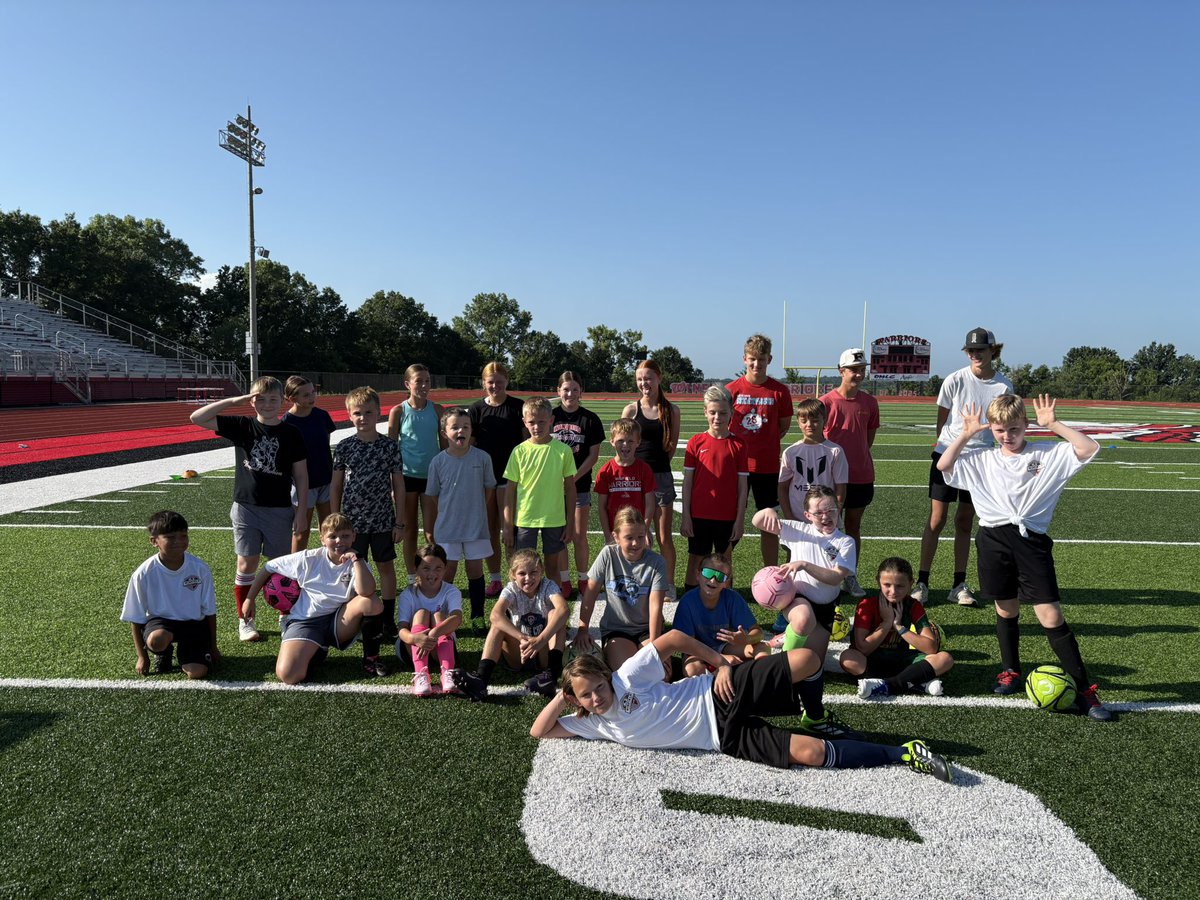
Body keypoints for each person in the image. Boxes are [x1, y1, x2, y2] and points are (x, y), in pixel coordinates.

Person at [529, 632, 953, 783]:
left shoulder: (625, 679)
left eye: (598, 687)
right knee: (812, 754)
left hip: (715, 693)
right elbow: (540, 731)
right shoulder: (594, 723)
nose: (597, 698)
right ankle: (903, 752)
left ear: (607, 678)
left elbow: (672, 639)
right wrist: (565, 694)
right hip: (723, 737)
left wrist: (720, 664)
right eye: (586, 696)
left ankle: (815, 715)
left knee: (806, 660)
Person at [938, 394, 1111, 720]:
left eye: (1014, 429)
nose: (1007, 436)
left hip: (1031, 542)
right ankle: (1011, 670)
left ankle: (1085, 691)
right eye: (1000, 430)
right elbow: (944, 466)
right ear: (992, 429)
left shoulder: (1046, 453)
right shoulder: (982, 458)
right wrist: (965, 434)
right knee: (1006, 609)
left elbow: (1089, 448)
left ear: (1026, 425)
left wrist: (1054, 424)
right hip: (992, 540)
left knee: (1050, 616)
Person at [190, 376, 309, 643]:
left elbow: (301, 475)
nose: (267, 404)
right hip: (246, 507)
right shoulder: (242, 425)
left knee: (280, 566)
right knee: (246, 563)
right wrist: (237, 400)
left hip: (279, 509)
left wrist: (301, 511)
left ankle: (285, 615)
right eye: (260, 399)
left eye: (273, 399)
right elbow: (196, 417)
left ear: (282, 401)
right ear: (252, 401)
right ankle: (245, 619)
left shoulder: (291, 433)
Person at [915, 328, 1013, 607]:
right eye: (971, 350)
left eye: (980, 349)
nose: (975, 354)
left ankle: (958, 584)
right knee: (936, 519)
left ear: (993, 350)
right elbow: (942, 421)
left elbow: (1003, 424)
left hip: (980, 460)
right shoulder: (955, 379)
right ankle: (922, 582)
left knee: (965, 521)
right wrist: (946, 449)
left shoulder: (1004, 386)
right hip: (948, 454)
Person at [752, 486, 858, 739]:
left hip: (825, 609)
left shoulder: (845, 542)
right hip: (797, 599)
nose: (826, 516)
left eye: (830, 510)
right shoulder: (798, 530)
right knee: (803, 619)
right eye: (819, 512)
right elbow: (758, 521)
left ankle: (812, 716)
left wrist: (804, 565)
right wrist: (767, 511)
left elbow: (836, 578)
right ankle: (777, 673)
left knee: (812, 666)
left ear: (838, 509)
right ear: (807, 515)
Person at [244, 513, 383, 685]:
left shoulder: (357, 562)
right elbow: (268, 567)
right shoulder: (308, 559)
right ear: (322, 539)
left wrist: (357, 558)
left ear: (354, 536)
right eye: (333, 536)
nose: (339, 541)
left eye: (345, 536)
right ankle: (317, 649)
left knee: (371, 602)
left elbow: (367, 591)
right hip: (306, 622)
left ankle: (371, 658)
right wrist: (249, 599)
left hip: (339, 621)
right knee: (288, 675)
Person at [330, 386, 405, 676]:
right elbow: (336, 485)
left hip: (383, 520)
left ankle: (387, 619)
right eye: (358, 413)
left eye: (369, 412)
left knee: (386, 567)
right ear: (349, 415)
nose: (363, 418)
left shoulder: (389, 446)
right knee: (352, 572)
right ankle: (355, 616)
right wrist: (336, 519)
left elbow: (398, 485)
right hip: (352, 525)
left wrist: (399, 521)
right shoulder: (344, 446)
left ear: (379, 413)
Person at [771, 398, 848, 635]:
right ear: (798, 421)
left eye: (815, 419)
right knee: (792, 563)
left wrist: (831, 516)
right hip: (799, 520)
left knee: (828, 561)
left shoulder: (835, 451)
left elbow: (840, 489)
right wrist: (789, 517)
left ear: (824, 420)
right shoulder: (791, 451)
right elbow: (783, 487)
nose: (809, 424)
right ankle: (788, 609)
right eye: (804, 419)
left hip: (825, 522)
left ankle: (829, 608)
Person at [458, 549, 570, 701]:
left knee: (555, 615)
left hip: (543, 652)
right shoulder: (511, 588)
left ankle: (550, 676)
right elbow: (495, 615)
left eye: (534, 572)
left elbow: (563, 609)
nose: (528, 578)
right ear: (512, 575)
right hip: (518, 651)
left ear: (542, 571)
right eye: (522, 573)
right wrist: (522, 638)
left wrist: (540, 640)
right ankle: (481, 680)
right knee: (498, 624)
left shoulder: (548, 585)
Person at [121, 510, 218, 678]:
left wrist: (213, 647)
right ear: (154, 541)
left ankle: (189, 653)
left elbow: (210, 611)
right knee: (157, 640)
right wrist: (142, 657)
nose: (178, 541)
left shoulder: (200, 569)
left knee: (197, 673)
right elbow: (135, 617)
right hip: (161, 624)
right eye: (170, 537)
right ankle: (163, 652)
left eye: (183, 536)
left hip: (193, 624)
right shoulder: (143, 573)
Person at [840, 557, 955, 698]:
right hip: (872, 660)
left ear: (911, 584)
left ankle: (888, 685)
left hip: (902, 660)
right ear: (878, 581)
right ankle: (915, 681)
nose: (893, 591)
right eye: (887, 585)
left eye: (900, 586)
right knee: (848, 658)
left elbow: (931, 648)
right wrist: (886, 623)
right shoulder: (867, 604)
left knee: (945, 659)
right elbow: (863, 648)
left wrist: (899, 627)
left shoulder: (913, 605)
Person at [425, 407, 497, 632]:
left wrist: (474, 510)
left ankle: (477, 616)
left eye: (465, 427)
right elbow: (434, 495)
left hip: (476, 527)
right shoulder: (438, 462)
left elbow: (489, 489)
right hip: (448, 528)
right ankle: (444, 617)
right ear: (444, 433)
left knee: (475, 571)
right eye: (455, 427)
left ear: (471, 430)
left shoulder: (482, 457)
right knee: (447, 573)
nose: (460, 431)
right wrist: (450, 511)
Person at [573, 507, 668, 671]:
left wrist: (654, 645)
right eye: (629, 537)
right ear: (616, 537)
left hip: (648, 629)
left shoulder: (657, 562)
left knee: (659, 673)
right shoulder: (608, 554)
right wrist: (583, 628)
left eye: (640, 537)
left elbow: (655, 606)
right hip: (617, 630)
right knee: (626, 672)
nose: (636, 543)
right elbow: (590, 593)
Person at [727, 334, 794, 568]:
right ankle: (725, 574)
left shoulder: (779, 391)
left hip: (767, 467)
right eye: (752, 359)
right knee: (730, 520)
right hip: (737, 467)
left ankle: (770, 572)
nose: (757, 364)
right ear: (744, 359)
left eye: (762, 359)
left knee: (769, 523)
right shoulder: (732, 390)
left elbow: (783, 426)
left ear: (769, 359)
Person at [819, 348, 879, 599]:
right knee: (827, 526)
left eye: (861, 369)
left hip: (860, 474)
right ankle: (827, 574)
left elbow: (868, 439)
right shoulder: (826, 402)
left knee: (853, 526)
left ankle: (849, 574)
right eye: (853, 369)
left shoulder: (870, 402)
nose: (858, 374)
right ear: (841, 371)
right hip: (830, 477)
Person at [680, 384, 748, 593]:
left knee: (724, 560)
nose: (717, 417)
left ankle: (725, 599)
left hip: (727, 517)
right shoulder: (696, 442)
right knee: (696, 559)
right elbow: (687, 482)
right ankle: (690, 599)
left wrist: (739, 520)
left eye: (722, 413)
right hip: (699, 514)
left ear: (731, 413)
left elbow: (742, 487)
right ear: (705, 412)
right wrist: (686, 516)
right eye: (712, 412)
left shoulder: (739, 445)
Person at [622, 359, 680, 597]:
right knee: (635, 534)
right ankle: (634, 581)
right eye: (639, 379)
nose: (644, 383)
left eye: (648, 378)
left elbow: (671, 447)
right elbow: (623, 444)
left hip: (661, 478)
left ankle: (668, 584)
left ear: (659, 378)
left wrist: (655, 469)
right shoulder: (631, 410)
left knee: (664, 536)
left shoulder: (672, 411)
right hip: (636, 479)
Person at [469, 361, 527, 598]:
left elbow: (526, 442)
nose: (495, 386)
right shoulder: (476, 409)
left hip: (510, 478)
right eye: (490, 382)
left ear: (507, 382)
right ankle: (495, 579)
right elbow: (471, 444)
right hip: (483, 479)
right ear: (483, 383)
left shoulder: (517, 407)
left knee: (509, 530)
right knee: (490, 530)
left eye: (499, 382)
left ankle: (515, 579)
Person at [387, 364, 445, 589]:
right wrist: (392, 483)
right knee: (409, 530)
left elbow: (445, 448)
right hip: (406, 478)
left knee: (432, 532)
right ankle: (412, 578)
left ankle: (435, 575)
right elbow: (391, 448)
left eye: (427, 381)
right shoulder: (398, 411)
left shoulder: (437, 410)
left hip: (431, 478)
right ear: (407, 384)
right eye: (418, 381)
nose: (423, 385)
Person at [503, 397, 577, 570]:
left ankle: (552, 589)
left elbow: (570, 489)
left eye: (542, 421)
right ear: (524, 422)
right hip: (525, 518)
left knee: (552, 568)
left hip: (554, 519)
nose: (536, 426)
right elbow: (510, 491)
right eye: (532, 422)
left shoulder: (563, 451)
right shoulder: (519, 451)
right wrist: (507, 525)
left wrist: (570, 522)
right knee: (524, 567)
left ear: (551, 420)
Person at [550, 371, 605, 599]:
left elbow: (593, 455)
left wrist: (572, 478)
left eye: (574, 389)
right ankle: (565, 580)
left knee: (580, 535)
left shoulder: (590, 419)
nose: (570, 394)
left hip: (579, 485)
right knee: (562, 537)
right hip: (553, 488)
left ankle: (583, 578)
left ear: (581, 390)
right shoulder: (550, 416)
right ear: (558, 391)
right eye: (566, 389)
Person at [672, 555, 767, 677]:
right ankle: (726, 674)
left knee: (762, 647)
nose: (713, 580)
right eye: (708, 573)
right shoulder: (687, 601)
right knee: (692, 669)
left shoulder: (733, 598)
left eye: (720, 577)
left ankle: (762, 676)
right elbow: (686, 644)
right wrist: (720, 659)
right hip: (697, 651)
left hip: (726, 647)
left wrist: (746, 639)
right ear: (698, 575)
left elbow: (758, 632)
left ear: (726, 583)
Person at [396, 543, 464, 696]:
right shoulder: (408, 594)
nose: (432, 573)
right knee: (421, 613)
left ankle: (448, 672)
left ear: (445, 569)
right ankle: (420, 674)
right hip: (411, 649)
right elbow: (401, 629)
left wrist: (433, 634)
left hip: (440, 649)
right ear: (416, 569)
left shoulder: (451, 591)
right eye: (426, 568)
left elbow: (457, 619)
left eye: (438, 568)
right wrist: (415, 638)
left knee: (438, 615)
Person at [282, 376, 337, 552]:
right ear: (293, 398)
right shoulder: (286, 423)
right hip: (302, 486)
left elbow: (324, 445)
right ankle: (295, 568)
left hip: (326, 480)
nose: (312, 397)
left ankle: (329, 564)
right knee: (301, 532)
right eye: (306, 395)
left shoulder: (322, 415)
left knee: (330, 530)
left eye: (313, 392)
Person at [593, 417, 657, 542]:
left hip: (638, 531)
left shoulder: (644, 469)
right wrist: (607, 533)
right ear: (612, 441)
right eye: (620, 440)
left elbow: (650, 504)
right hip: (615, 531)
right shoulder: (606, 471)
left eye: (630, 441)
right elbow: (602, 507)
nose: (625, 445)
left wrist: (644, 530)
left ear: (638, 442)